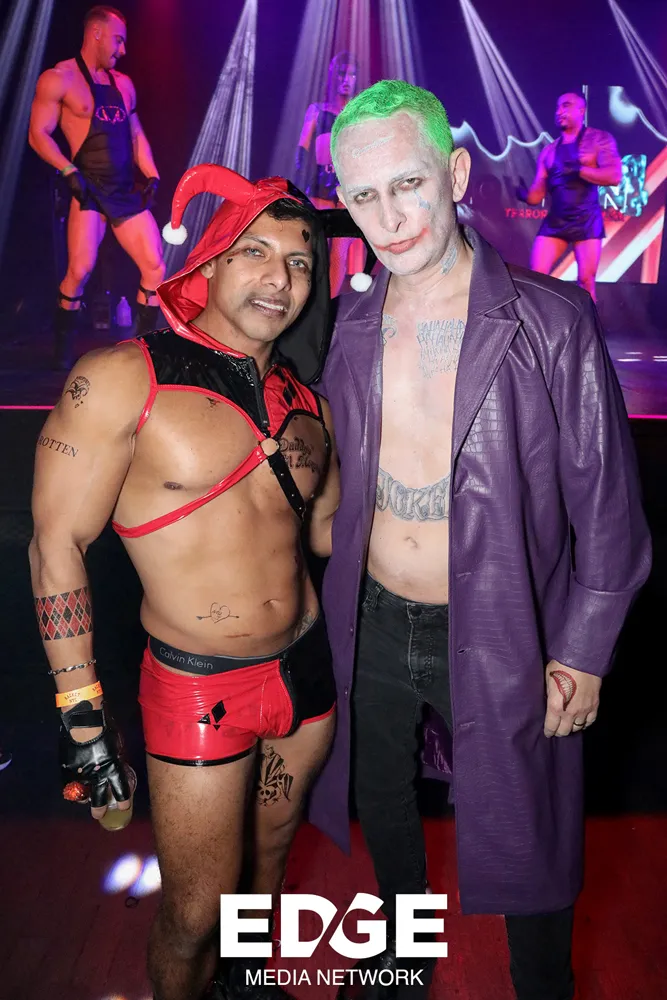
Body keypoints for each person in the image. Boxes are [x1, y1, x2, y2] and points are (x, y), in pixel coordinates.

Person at [306, 80, 651, 1000]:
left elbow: (609, 514)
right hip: (373, 621)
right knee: (380, 799)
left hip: (503, 625)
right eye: (364, 195)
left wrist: (583, 653)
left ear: (455, 174)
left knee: (528, 829)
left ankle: (542, 986)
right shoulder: (347, 324)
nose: (389, 218)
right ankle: (402, 956)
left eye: (407, 184)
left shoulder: (550, 319)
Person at [29, 163, 340, 1000]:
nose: (280, 278)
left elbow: (328, 536)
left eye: (299, 261)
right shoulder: (122, 377)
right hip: (199, 685)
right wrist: (81, 715)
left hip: (306, 676)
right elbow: (56, 544)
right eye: (254, 252)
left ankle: (250, 989)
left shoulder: (308, 403)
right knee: (195, 915)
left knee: (266, 878)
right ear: (207, 262)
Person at [28, 6, 165, 367]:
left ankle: (143, 350)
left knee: (155, 266)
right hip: (87, 188)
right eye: (118, 40)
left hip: (123, 190)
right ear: (97, 34)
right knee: (80, 270)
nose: (123, 50)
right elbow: (38, 134)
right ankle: (62, 348)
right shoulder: (60, 78)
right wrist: (68, 171)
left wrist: (152, 175)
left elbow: (136, 134)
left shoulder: (124, 84)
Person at [516, 91, 622, 301]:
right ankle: (541, 321)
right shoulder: (549, 151)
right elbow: (537, 196)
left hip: (586, 220)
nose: (559, 111)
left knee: (586, 281)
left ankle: (588, 322)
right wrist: (525, 195)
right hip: (557, 221)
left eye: (565, 105)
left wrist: (579, 170)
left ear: (581, 110)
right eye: (557, 107)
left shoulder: (598, 140)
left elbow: (614, 176)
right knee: (536, 277)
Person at [295, 52, 365, 296]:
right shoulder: (317, 110)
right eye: (342, 73)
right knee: (315, 249)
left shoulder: (359, 115)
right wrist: (299, 184)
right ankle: (309, 303)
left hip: (348, 189)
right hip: (320, 187)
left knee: (340, 252)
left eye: (351, 75)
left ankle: (330, 305)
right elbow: (302, 149)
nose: (346, 80)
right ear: (333, 76)